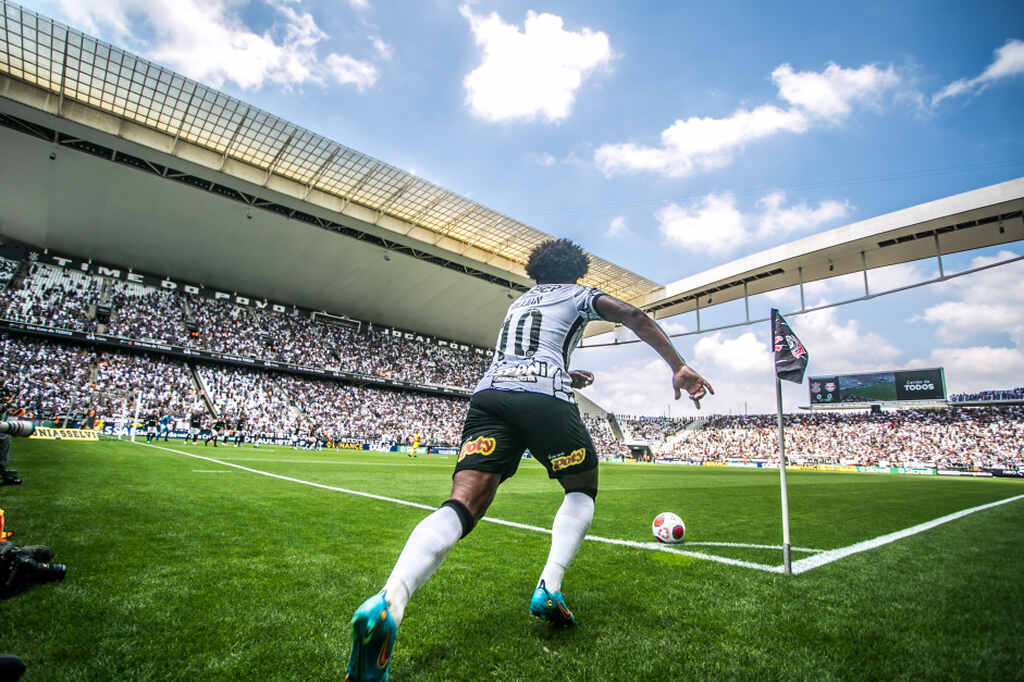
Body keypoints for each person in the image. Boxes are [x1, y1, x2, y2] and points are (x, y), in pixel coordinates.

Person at [344, 239, 713, 681]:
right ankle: (549, 588)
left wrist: (565, 371)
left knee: (463, 503)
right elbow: (633, 314)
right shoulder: (579, 295)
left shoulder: (519, 302)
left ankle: (390, 599)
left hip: (491, 395)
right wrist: (678, 365)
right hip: (542, 396)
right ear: (578, 271)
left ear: (535, 271)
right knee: (581, 488)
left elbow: (526, 351)